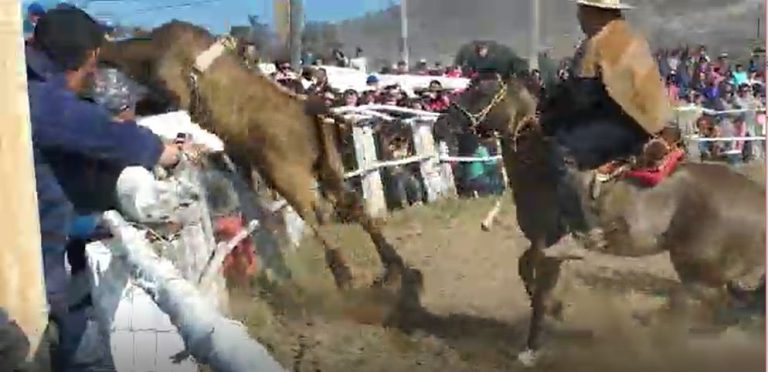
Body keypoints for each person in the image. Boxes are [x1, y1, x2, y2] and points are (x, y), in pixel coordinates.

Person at [27, 7, 183, 370]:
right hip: (35, 261)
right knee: (58, 344)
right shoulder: (43, 101)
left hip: (44, 243)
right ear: (84, 58)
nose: (95, 71)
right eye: (94, 61)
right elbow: (111, 136)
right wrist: (165, 152)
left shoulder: (23, 82)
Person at [539, 0, 671, 258]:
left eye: (582, 10)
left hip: (627, 124)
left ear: (595, 13)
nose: (579, 16)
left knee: (561, 150)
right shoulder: (625, 37)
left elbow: (587, 96)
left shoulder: (602, 43)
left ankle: (584, 231)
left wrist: (553, 114)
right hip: (644, 120)